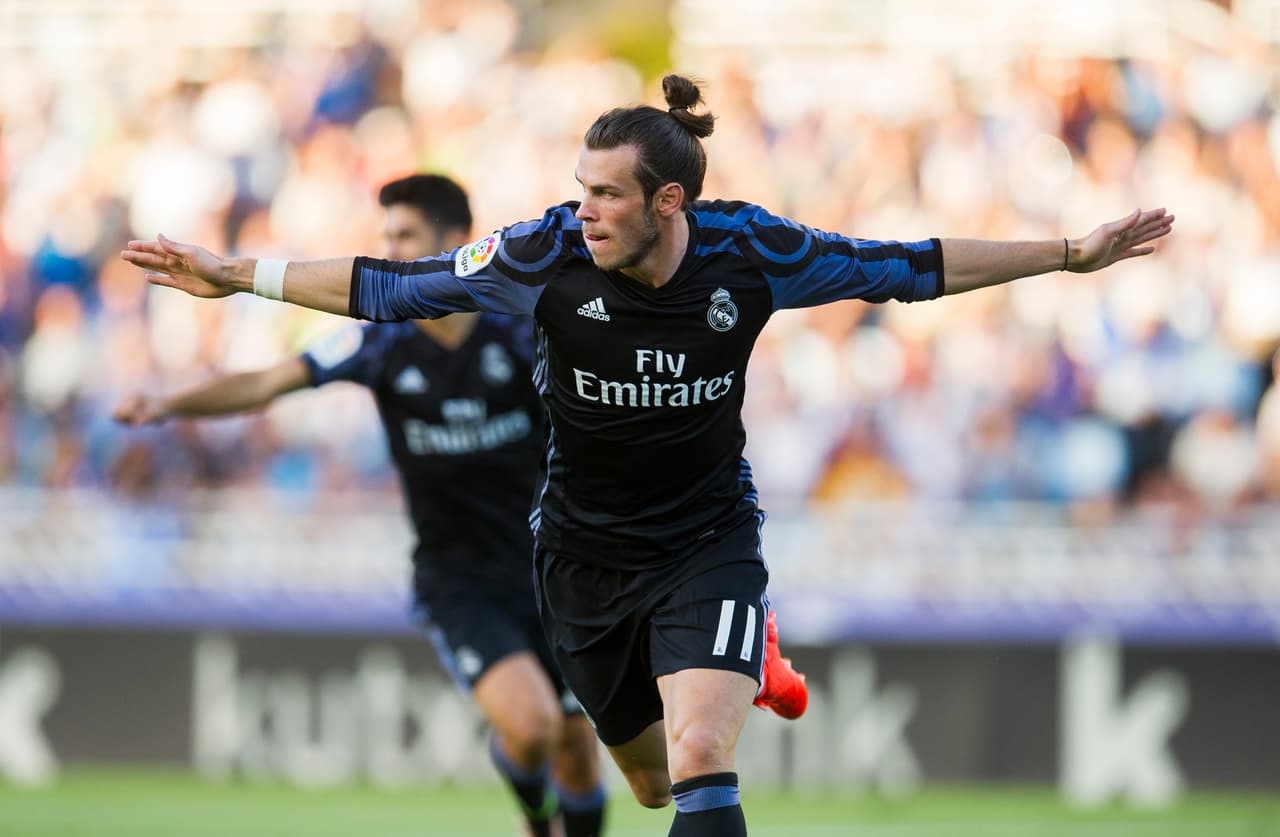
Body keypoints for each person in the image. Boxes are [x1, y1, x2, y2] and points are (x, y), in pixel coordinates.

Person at [121, 75, 1174, 837]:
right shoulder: (540, 251)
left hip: (707, 539)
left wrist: (1067, 254)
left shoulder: (751, 250)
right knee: (649, 786)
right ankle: (749, 660)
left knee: (700, 753)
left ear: (669, 202)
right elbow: (393, 287)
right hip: (581, 560)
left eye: (607, 195)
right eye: (579, 187)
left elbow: (906, 265)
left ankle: (739, 641)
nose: (583, 210)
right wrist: (236, 273)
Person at [115, 173, 607, 837]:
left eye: (406, 236)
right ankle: (535, 819)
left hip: (557, 572)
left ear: (457, 241)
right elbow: (267, 383)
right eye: (387, 237)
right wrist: (168, 403)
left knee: (577, 749)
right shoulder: (380, 342)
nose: (393, 251)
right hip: (462, 580)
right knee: (532, 725)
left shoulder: (524, 334)